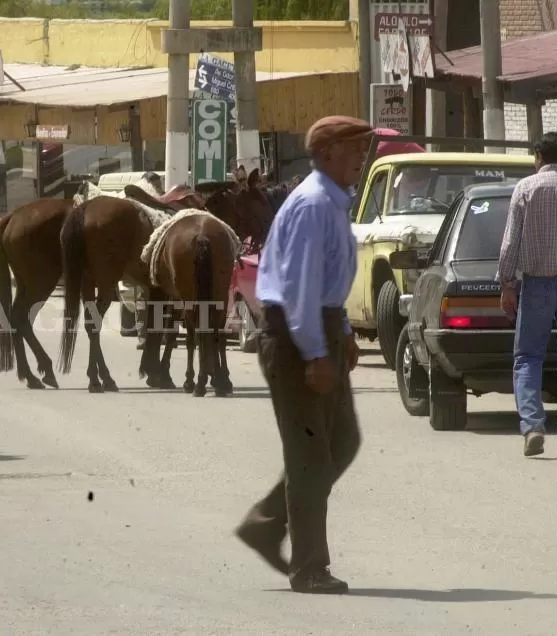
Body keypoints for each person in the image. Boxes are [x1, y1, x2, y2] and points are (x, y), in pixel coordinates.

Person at [235, 115, 370, 595]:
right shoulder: (314, 205)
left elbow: (328, 282)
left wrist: (345, 332)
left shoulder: (334, 202)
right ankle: (310, 567)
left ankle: (268, 522)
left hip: (321, 329)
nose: (362, 157)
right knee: (311, 456)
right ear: (328, 152)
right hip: (297, 339)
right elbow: (298, 288)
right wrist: (316, 352)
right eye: (355, 148)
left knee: (343, 442)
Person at [498, 130, 557, 459]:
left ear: (538, 158)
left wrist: (506, 283)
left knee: (528, 358)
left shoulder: (526, 188)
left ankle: (533, 426)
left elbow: (510, 243)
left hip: (538, 284)